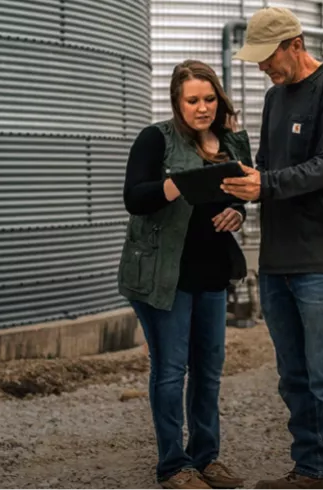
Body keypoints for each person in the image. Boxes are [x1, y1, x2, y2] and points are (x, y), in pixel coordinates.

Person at [221, 7, 323, 490]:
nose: (262, 66)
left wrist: (264, 186)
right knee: (293, 376)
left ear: (295, 43)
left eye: (268, 56)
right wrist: (241, 197)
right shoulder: (275, 98)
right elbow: (266, 169)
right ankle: (312, 471)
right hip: (279, 258)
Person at [117, 59, 253, 490]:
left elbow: (243, 195)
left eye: (209, 98)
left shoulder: (233, 142)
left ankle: (206, 459)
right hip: (164, 276)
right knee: (172, 370)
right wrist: (180, 183)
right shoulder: (155, 139)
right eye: (192, 100)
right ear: (177, 102)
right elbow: (134, 198)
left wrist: (237, 211)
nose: (202, 107)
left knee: (209, 370)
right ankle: (173, 466)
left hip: (211, 274)